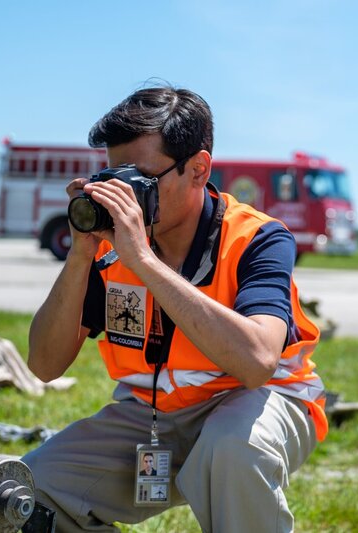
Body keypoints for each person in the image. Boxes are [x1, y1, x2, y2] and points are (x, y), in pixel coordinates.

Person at [22, 86, 328, 532]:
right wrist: (81, 254)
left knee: (233, 449)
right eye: (115, 177)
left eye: (141, 179)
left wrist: (143, 260)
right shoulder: (107, 250)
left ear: (199, 169)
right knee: (27, 490)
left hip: (256, 401)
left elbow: (258, 363)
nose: (125, 195)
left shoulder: (257, 238)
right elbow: (44, 365)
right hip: (153, 414)